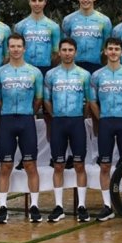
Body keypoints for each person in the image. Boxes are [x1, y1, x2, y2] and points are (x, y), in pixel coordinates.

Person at [0, 34, 45, 223]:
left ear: (24, 48)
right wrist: (6, 110)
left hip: (26, 120)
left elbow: (38, 98)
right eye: (12, 46)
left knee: (31, 164)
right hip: (7, 120)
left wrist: (29, 112)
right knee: (5, 165)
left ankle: (34, 206)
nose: (15, 49)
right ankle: (2, 207)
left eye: (19, 46)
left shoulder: (35, 72)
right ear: (8, 49)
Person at [89, 38, 122, 221]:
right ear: (105, 51)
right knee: (105, 165)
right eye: (110, 49)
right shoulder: (97, 76)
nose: (113, 52)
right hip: (105, 122)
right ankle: (107, 206)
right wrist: (102, 117)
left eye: (116, 49)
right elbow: (92, 101)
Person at [44, 38, 93, 222]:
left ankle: (82, 206)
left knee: (79, 165)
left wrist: (81, 116)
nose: (67, 53)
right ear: (59, 52)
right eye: (64, 50)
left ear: (75, 52)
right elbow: (47, 100)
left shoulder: (84, 75)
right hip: (58, 122)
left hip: (77, 122)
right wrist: (55, 115)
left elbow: (89, 101)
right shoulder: (51, 75)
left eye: (70, 50)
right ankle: (58, 206)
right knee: (58, 165)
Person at [62, 0, 112, 73]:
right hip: (74, 66)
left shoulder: (104, 21)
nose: (85, 0)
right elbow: (64, 46)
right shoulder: (68, 20)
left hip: (96, 66)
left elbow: (107, 47)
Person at [13, 0, 61, 77]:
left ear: (45, 2)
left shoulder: (53, 27)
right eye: (34, 0)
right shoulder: (20, 26)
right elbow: (15, 49)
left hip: (46, 69)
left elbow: (57, 52)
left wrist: (50, 67)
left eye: (40, 0)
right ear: (29, 2)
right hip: (24, 70)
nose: (37, 3)